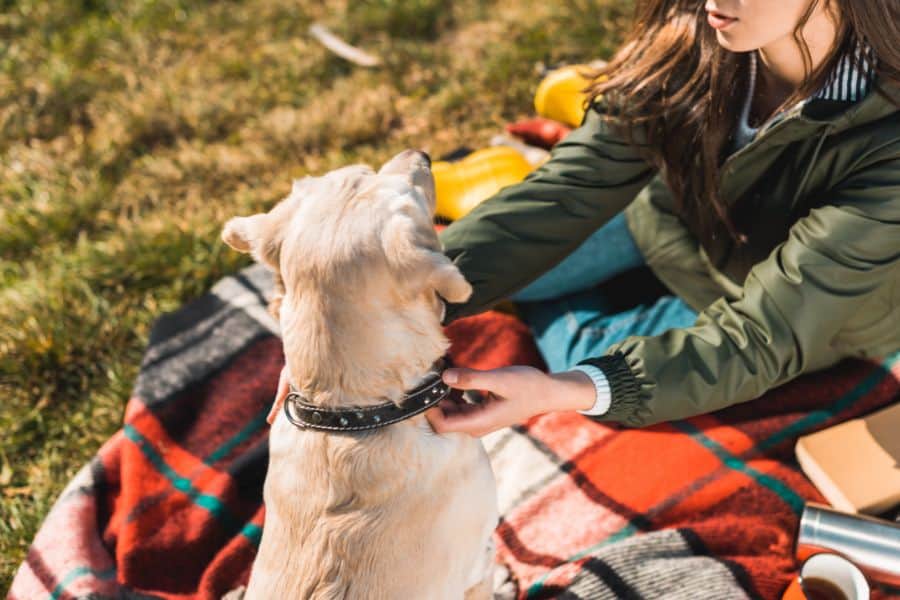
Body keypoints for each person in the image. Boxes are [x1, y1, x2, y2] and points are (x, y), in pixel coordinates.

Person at [422, 0, 900, 436]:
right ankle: (511, 190)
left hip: (779, 303)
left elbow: (763, 336)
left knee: (583, 374)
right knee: (455, 279)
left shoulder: (888, 137)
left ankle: (552, 256)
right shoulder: (697, 28)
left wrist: (565, 390)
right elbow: (571, 190)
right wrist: (409, 291)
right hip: (673, 218)